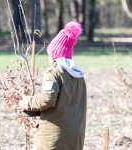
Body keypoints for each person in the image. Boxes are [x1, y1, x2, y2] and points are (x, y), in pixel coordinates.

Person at [19, 21, 87, 150]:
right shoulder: (78, 75)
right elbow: (64, 103)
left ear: (54, 54)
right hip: (76, 135)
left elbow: (47, 100)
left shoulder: (53, 72)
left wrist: (26, 101)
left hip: (55, 136)